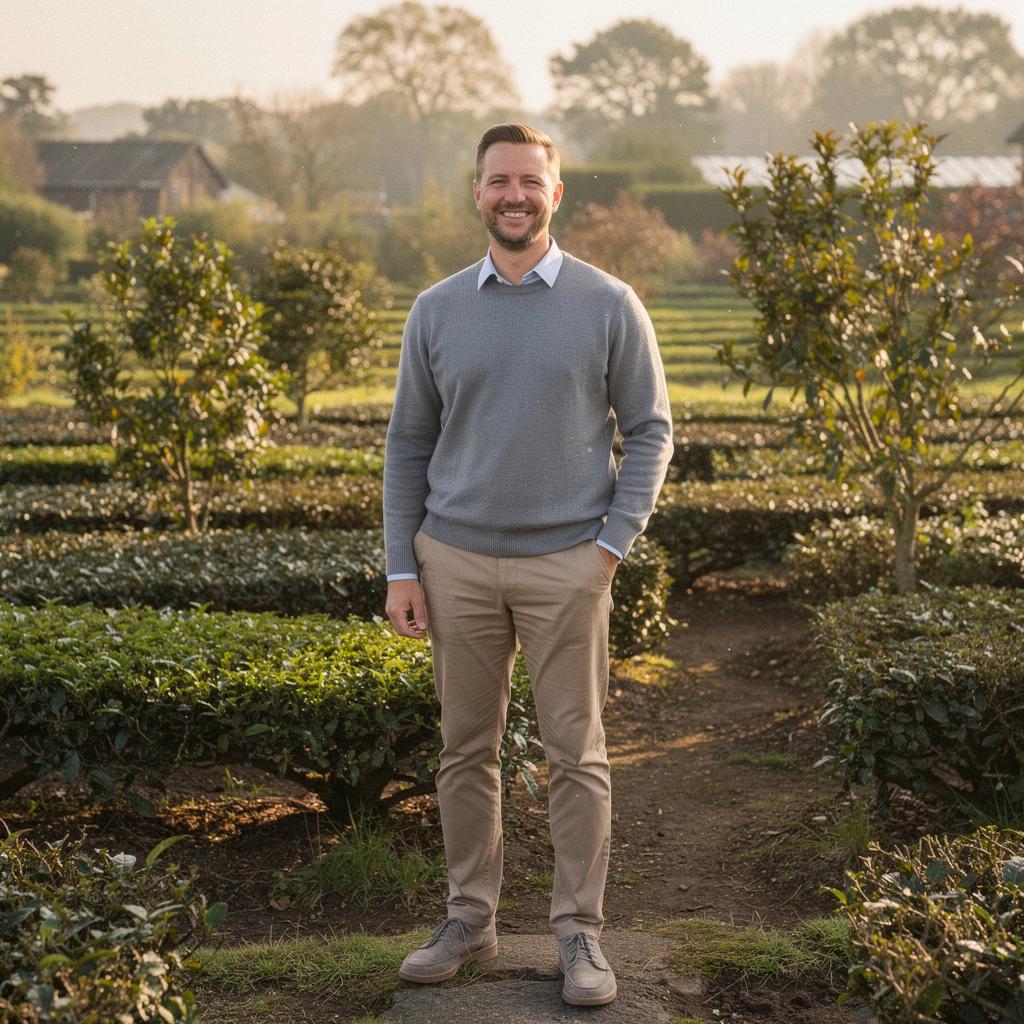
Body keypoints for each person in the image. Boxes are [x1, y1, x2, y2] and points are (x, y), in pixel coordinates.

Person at [383, 123, 673, 1007]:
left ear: (557, 193)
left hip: (566, 566)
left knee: (576, 755)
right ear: (477, 192)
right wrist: (404, 566)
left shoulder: (609, 302)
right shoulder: (436, 309)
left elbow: (652, 430)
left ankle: (580, 932)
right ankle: (469, 919)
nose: (514, 195)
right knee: (464, 751)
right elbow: (407, 445)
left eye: (530, 181)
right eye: (497, 180)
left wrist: (608, 549)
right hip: (455, 563)